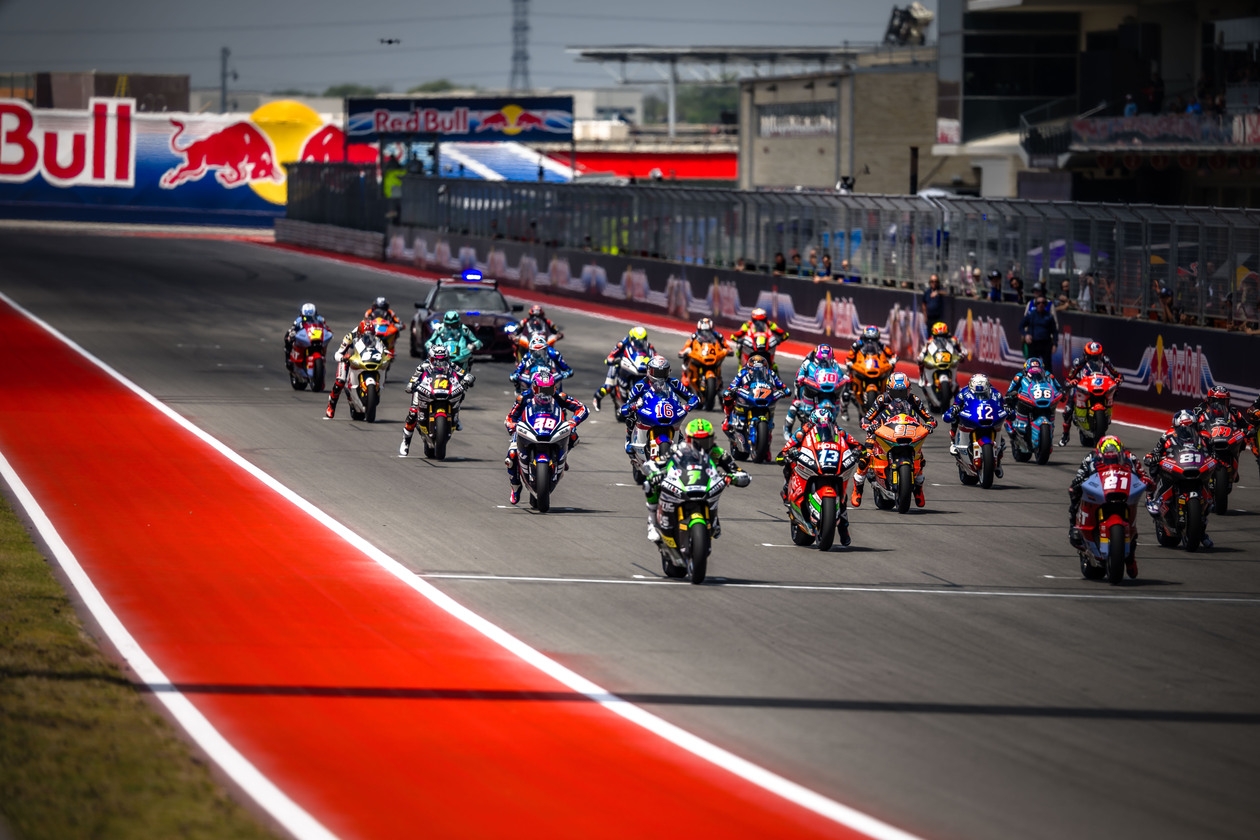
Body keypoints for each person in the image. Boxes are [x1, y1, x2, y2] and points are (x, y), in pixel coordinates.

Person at [643, 418, 749, 543]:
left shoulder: (718, 453)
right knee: (649, 484)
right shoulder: (677, 449)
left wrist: (734, 478)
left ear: (712, 440)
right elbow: (653, 464)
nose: (702, 446)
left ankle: (713, 518)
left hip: (706, 485)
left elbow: (739, 472)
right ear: (688, 440)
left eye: (706, 441)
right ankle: (652, 523)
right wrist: (655, 473)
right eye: (697, 442)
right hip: (681, 482)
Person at [778, 401, 861, 545]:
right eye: (819, 424)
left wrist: (859, 451)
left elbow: (855, 444)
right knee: (789, 464)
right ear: (812, 423)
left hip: (830, 461)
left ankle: (844, 528)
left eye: (827, 424)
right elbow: (786, 449)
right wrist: (787, 453)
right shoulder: (803, 431)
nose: (823, 427)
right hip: (811, 459)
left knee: (843, 495)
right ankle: (786, 488)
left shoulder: (839, 431)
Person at [504, 370, 589, 505]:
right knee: (511, 455)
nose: (544, 394)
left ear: (554, 388)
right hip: (527, 428)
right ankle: (515, 486)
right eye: (540, 390)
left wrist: (573, 421)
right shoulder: (523, 398)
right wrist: (511, 425)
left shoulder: (560, 397)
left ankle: (563, 456)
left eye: (548, 390)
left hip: (553, 427)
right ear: (534, 388)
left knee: (574, 437)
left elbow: (583, 408)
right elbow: (510, 417)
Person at [1070, 436, 1151, 574]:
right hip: (1100, 490)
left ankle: (1130, 559)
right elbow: (1080, 475)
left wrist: (1146, 482)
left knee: (1132, 527)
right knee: (1074, 493)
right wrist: (1078, 483)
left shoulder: (1130, 457)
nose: (1111, 459)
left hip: (1122, 490)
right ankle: (1073, 524)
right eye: (1108, 456)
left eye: (1114, 456)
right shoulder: (1090, 457)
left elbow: (1142, 474)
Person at [855, 372, 936, 507]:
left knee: (919, 457)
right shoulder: (881, 399)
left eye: (903, 392)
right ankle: (858, 488)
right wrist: (868, 425)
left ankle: (918, 489)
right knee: (866, 455)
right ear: (889, 391)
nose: (900, 396)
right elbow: (866, 418)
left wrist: (930, 424)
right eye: (896, 392)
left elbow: (929, 417)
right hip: (881, 430)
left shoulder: (914, 399)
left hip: (906, 429)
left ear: (908, 390)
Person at [398, 344, 464, 456]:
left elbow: (462, 373)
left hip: (444, 389)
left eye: (443, 359)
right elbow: (414, 378)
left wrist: (467, 378)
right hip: (424, 390)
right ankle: (406, 441)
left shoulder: (451, 366)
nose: (439, 362)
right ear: (430, 358)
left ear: (447, 358)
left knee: (460, 394)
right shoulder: (423, 366)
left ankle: (456, 418)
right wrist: (411, 384)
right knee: (413, 413)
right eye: (436, 360)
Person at [618, 355, 699, 446]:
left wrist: (688, 406)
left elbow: (692, 397)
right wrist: (633, 406)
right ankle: (629, 438)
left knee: (679, 429)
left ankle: (678, 435)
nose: (660, 376)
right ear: (649, 370)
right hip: (648, 411)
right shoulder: (640, 386)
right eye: (657, 372)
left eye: (664, 372)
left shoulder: (674, 383)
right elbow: (626, 406)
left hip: (668, 410)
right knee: (631, 417)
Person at [785, 343, 846, 439]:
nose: (824, 362)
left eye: (827, 359)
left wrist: (844, 377)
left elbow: (840, 373)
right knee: (796, 403)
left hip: (826, 387)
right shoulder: (808, 363)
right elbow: (800, 374)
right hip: (809, 386)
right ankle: (787, 430)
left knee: (839, 395)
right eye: (822, 360)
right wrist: (801, 378)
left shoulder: (834, 363)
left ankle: (835, 429)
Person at [943, 373, 1003, 468]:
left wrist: (1007, 409)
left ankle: (999, 451)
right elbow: (954, 406)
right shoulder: (963, 393)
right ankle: (954, 440)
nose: (980, 394)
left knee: (1000, 432)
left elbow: (1003, 405)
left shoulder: (996, 394)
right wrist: (953, 410)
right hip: (971, 417)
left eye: (983, 392)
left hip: (989, 419)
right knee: (956, 416)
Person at [593, 326, 655, 411]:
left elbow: (655, 356)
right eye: (637, 341)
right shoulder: (622, 344)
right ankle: (597, 398)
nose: (640, 343)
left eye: (643, 340)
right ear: (631, 339)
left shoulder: (648, 346)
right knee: (609, 386)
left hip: (637, 367)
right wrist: (613, 360)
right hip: (620, 365)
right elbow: (610, 357)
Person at [721, 355, 788, 432]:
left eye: (761, 370)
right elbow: (732, 385)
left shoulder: (770, 373)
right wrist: (732, 390)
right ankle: (727, 419)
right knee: (727, 396)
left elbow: (781, 385)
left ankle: (768, 428)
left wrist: (784, 390)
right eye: (753, 370)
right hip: (748, 394)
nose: (757, 372)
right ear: (749, 368)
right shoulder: (743, 372)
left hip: (764, 396)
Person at [324, 318, 375, 419]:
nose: (368, 338)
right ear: (359, 334)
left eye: (371, 335)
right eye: (365, 336)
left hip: (364, 361)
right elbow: (337, 354)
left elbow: (381, 348)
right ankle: (331, 405)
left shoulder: (375, 339)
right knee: (340, 381)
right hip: (348, 361)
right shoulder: (350, 337)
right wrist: (343, 357)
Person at [426, 310, 483, 378]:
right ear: (445, 323)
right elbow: (429, 341)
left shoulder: (464, 329)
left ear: (458, 322)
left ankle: (465, 374)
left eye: (454, 325)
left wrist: (473, 345)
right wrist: (430, 346)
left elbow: (477, 342)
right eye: (448, 325)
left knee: (469, 359)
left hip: (459, 352)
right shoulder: (440, 328)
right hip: (443, 351)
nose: (451, 328)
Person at [917, 321, 968, 386]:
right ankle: (922, 377)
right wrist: (921, 356)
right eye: (938, 336)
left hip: (950, 358)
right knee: (920, 361)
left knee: (955, 371)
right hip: (936, 358)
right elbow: (924, 349)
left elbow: (963, 349)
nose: (941, 338)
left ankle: (954, 384)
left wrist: (963, 353)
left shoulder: (954, 340)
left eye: (943, 335)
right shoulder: (930, 341)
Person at [284, 302, 327, 371]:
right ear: (302, 315)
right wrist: (292, 334)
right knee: (287, 336)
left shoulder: (320, 319)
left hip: (316, 336)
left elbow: (325, 327)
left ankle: (321, 357)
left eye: (311, 317)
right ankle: (288, 358)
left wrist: (327, 332)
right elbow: (293, 328)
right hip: (304, 336)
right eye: (306, 317)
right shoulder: (298, 320)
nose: (309, 319)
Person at [1019, 293, 1058, 370]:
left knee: (1047, 367)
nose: (1040, 305)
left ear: (1045, 304)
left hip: (1046, 344)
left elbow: (1054, 331)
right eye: (1038, 303)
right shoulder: (1031, 315)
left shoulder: (1049, 316)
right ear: (1036, 304)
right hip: (1033, 343)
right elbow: (1021, 326)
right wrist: (1026, 335)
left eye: (1043, 303)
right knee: (1031, 366)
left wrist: (1055, 344)